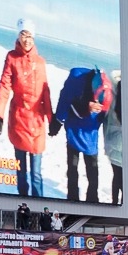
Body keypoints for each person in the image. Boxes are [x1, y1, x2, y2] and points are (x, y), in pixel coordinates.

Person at [0, 18, 52, 197]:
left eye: (30, 36)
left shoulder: (40, 62)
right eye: (24, 35)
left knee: (36, 175)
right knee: (21, 172)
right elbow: (4, 86)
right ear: (19, 35)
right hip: (18, 121)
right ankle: (23, 205)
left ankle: (39, 208)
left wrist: (51, 118)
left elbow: (45, 92)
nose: (27, 39)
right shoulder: (12, 57)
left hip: (37, 124)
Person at [50, 67, 112, 202]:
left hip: (91, 135)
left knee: (92, 170)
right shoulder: (76, 78)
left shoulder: (108, 94)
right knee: (72, 168)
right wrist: (58, 121)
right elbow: (65, 100)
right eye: (96, 103)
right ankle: (72, 199)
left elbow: (107, 119)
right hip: (74, 129)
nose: (97, 105)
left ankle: (93, 200)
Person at [103, 73, 123, 204]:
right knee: (122, 180)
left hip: (112, 144)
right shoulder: (123, 101)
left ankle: (115, 203)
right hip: (120, 145)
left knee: (117, 176)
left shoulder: (112, 94)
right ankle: (120, 205)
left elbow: (105, 121)